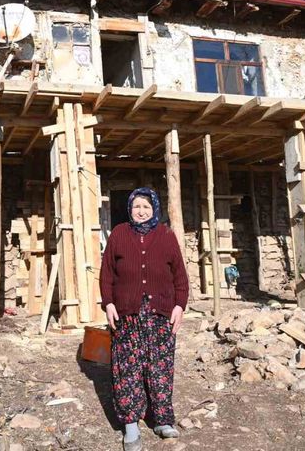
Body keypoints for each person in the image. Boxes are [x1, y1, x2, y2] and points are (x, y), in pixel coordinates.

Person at [99, 187, 189, 451]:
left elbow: (180, 276)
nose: (141, 211)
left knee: (160, 367)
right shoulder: (118, 234)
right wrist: (109, 303)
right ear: (130, 209)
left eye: (146, 207)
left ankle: (162, 418)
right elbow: (106, 274)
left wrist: (179, 306)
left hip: (160, 313)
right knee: (127, 369)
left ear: (154, 210)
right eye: (137, 206)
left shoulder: (166, 236)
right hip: (127, 314)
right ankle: (130, 425)